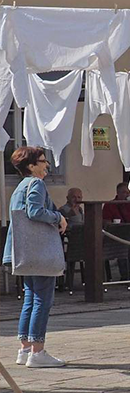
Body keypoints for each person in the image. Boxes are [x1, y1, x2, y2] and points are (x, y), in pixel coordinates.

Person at [3, 147, 67, 368]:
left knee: (30, 299)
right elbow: (35, 211)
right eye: (42, 161)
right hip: (39, 252)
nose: (46, 165)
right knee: (42, 300)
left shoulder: (19, 187)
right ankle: (37, 352)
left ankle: (25, 348)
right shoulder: (36, 184)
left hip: (23, 252)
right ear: (31, 166)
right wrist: (58, 217)